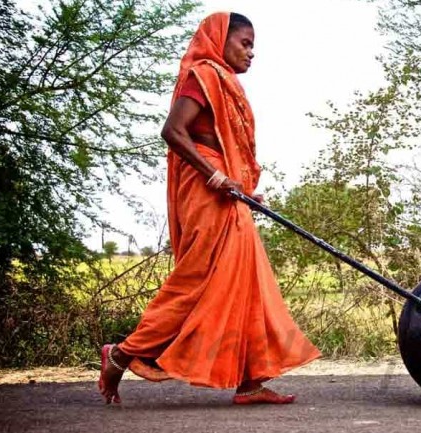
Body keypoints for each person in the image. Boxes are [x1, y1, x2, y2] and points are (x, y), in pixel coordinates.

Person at [98, 11, 321, 405]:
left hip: (227, 192)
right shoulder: (202, 76)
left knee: (249, 282)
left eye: (253, 46)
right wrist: (216, 177)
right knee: (197, 282)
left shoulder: (227, 84)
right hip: (205, 189)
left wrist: (241, 188)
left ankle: (252, 381)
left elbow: (224, 149)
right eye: (245, 43)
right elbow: (173, 131)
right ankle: (120, 354)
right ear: (221, 40)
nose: (252, 53)